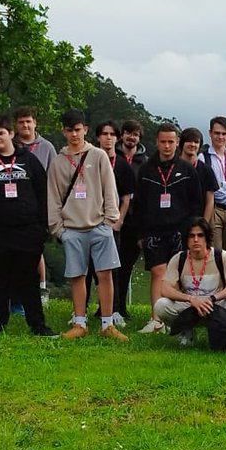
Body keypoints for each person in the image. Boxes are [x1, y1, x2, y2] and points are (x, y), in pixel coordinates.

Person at [0, 115, 56, 336]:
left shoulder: (30, 160)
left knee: (29, 280)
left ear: (11, 134)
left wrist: (43, 227)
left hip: (28, 231)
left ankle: (37, 325)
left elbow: (44, 193)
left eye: (1, 133)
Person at [47, 109, 128, 341]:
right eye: (70, 130)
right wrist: (59, 229)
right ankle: (79, 323)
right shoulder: (58, 162)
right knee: (77, 276)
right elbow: (52, 197)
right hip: (72, 228)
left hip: (99, 225)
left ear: (85, 129)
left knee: (105, 274)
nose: (74, 134)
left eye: (78, 129)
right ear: (64, 131)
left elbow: (109, 188)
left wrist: (110, 220)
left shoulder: (98, 155)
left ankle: (107, 323)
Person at [134, 122, 205, 332]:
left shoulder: (186, 169)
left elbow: (196, 203)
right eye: (163, 142)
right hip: (153, 230)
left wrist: (193, 232)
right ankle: (156, 319)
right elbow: (139, 203)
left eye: (171, 142)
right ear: (156, 142)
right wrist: (140, 233)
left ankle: (178, 320)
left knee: (179, 276)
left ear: (177, 143)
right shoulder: (146, 169)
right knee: (158, 272)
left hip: (180, 230)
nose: (167, 146)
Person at [154, 217, 226, 355]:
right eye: (192, 236)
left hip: (215, 305)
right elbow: (165, 289)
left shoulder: (221, 256)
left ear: (207, 238)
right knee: (161, 305)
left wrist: (212, 298)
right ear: (187, 239)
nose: (196, 240)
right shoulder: (178, 259)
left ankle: (223, 332)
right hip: (190, 306)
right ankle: (186, 331)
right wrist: (191, 299)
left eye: (200, 235)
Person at [93, 119, 136, 326]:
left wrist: (118, 221)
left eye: (112, 134)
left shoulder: (122, 164)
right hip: (91, 222)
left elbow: (126, 198)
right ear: (98, 137)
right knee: (91, 269)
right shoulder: (90, 160)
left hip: (113, 224)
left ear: (116, 138)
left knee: (113, 268)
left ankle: (116, 309)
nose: (108, 138)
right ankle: (95, 308)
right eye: (104, 134)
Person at [14, 106, 55, 308]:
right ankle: (17, 294)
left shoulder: (46, 147)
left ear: (35, 123)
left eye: (28, 121)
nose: (25, 125)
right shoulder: (10, 145)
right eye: (21, 122)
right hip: (14, 205)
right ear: (16, 125)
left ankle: (41, 288)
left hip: (39, 205)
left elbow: (54, 177)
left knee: (36, 250)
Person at [113, 119, 148, 322]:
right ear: (122, 135)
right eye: (127, 133)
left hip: (135, 221)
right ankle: (107, 306)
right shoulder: (111, 158)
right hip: (112, 217)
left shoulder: (145, 162)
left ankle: (121, 307)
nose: (131, 137)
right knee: (108, 265)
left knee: (126, 265)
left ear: (139, 138)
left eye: (135, 134)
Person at [202, 116, 226, 252]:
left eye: (224, 133)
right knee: (214, 251)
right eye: (217, 133)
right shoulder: (204, 158)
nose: (220, 137)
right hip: (214, 209)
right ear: (210, 133)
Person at [180, 126, 217, 221]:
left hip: (198, 220)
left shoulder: (206, 170)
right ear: (182, 143)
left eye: (196, 142)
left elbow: (210, 201)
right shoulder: (173, 167)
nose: (192, 144)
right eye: (189, 141)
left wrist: (204, 223)